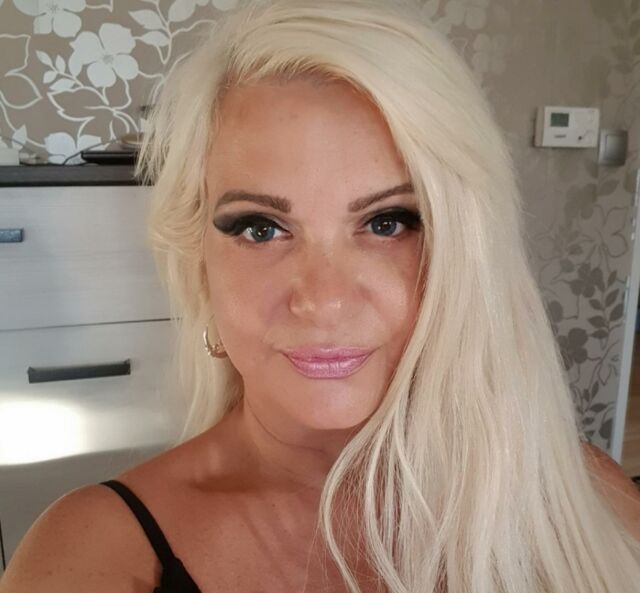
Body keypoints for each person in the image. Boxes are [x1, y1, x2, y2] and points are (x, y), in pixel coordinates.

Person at [2, 1, 640, 592]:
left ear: (468, 248)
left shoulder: (584, 499)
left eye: (388, 222)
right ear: (200, 262)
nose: (324, 301)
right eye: (260, 228)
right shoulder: (96, 552)